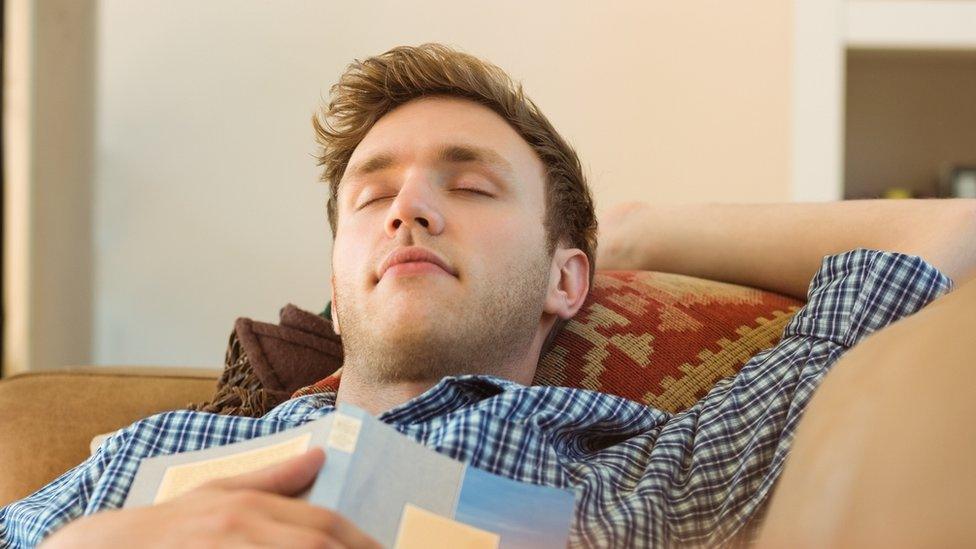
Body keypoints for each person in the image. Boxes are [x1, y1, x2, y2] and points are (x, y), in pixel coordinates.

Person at [1, 43, 973, 548]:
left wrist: (627, 228)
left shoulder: (649, 471)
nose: (410, 206)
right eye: (371, 194)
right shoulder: (151, 455)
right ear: (335, 301)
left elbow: (938, 234)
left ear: (566, 280)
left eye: (469, 186)